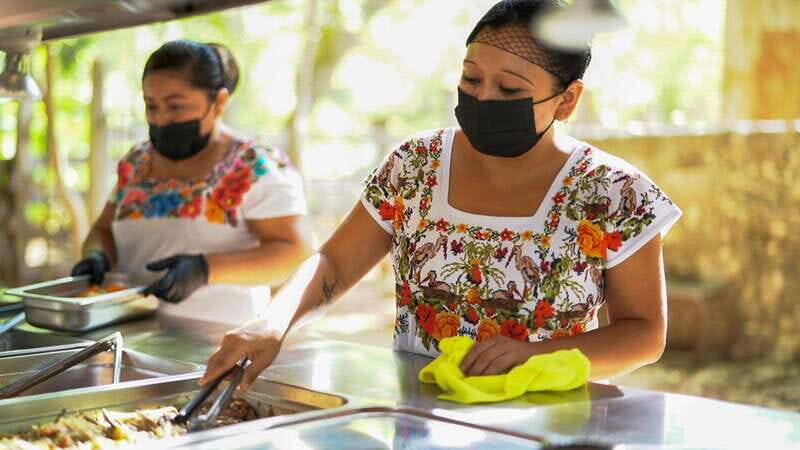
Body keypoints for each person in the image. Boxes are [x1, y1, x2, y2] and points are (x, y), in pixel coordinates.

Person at [201, 0, 682, 390]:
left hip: (548, 425)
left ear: (568, 99)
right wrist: (272, 322)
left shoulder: (613, 193)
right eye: (472, 79)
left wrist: (535, 356)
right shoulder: (415, 165)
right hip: (416, 413)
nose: (483, 99)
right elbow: (335, 264)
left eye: (510, 90)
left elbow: (643, 333)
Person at [72, 40, 311, 325]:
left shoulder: (253, 166)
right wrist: (98, 255)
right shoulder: (137, 163)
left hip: (220, 344)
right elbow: (103, 230)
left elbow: (296, 254)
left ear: (219, 102)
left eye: (176, 106)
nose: (161, 119)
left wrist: (205, 269)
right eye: (151, 106)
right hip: (126, 335)